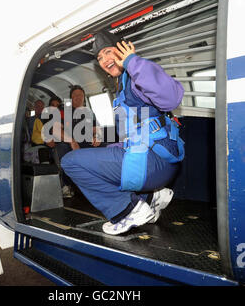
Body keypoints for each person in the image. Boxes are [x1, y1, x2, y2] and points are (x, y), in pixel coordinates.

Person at [61, 30, 185, 235]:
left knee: (69, 161)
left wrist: (132, 61)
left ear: (124, 49)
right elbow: (135, 133)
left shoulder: (136, 76)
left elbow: (171, 99)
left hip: (152, 163)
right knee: (108, 151)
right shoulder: (123, 86)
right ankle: (152, 197)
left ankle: (127, 211)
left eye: (108, 52)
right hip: (163, 164)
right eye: (99, 57)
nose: (104, 60)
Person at [43, 85, 102, 198]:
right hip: (68, 142)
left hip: (86, 143)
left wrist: (98, 136)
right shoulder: (63, 111)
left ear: (84, 97)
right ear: (71, 98)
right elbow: (55, 129)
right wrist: (72, 141)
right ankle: (66, 184)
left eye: (80, 95)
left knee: (106, 145)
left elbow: (97, 129)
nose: (78, 97)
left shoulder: (89, 113)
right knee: (64, 148)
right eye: (75, 95)